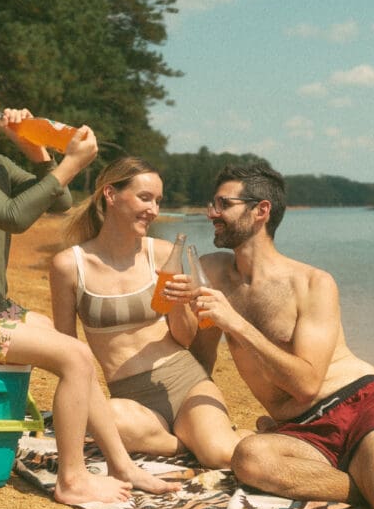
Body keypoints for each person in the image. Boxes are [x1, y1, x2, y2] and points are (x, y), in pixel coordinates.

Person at [0, 52, 178, 505]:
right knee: (74, 357)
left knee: (76, 353)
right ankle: (72, 479)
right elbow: (13, 216)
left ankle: (121, 464)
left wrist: (36, 152)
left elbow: (58, 202)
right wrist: (70, 162)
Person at [187, 161, 374, 509]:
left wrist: (235, 323)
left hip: (357, 403)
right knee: (249, 459)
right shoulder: (212, 272)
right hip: (301, 430)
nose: (211, 213)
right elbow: (199, 359)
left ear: (261, 210)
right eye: (213, 204)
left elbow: (306, 384)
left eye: (223, 204)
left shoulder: (313, 283)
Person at [50, 157, 246, 468]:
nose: (153, 210)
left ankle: (207, 440)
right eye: (145, 198)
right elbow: (65, 348)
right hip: (129, 399)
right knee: (101, 416)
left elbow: (184, 338)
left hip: (184, 380)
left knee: (220, 456)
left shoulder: (163, 254)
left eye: (158, 201)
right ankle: (187, 444)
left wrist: (179, 302)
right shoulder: (69, 265)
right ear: (111, 194)